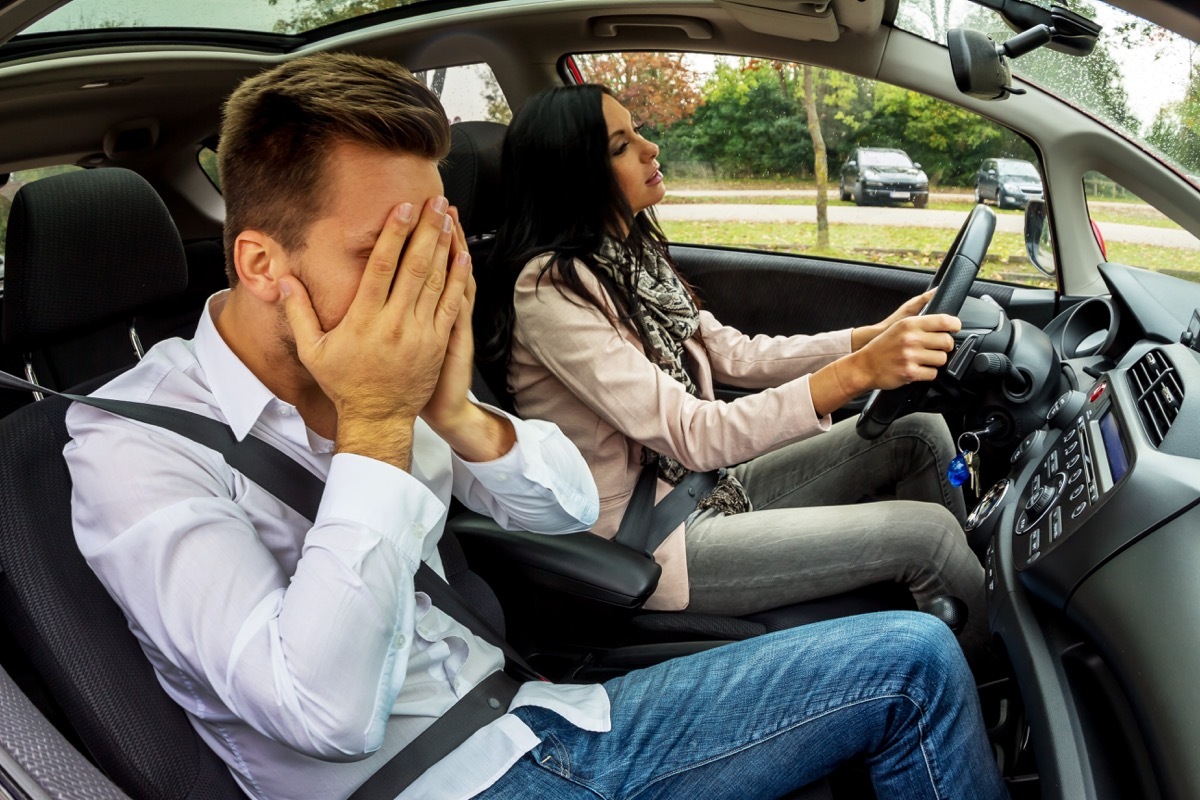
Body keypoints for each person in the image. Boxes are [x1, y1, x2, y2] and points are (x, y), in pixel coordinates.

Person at [66, 54, 1007, 800]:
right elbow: (328, 712)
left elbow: (560, 508)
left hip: (546, 712)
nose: (424, 285)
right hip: (447, 783)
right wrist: (380, 425)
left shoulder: (396, 355)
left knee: (909, 644)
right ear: (262, 263)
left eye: (432, 243)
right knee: (911, 661)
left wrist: (460, 417)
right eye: (383, 252)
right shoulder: (134, 452)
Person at [488, 83, 989, 659]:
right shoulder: (551, 290)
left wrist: (865, 340)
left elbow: (736, 355)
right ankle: (989, 675)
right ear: (571, 174)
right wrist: (856, 374)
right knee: (928, 536)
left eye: (638, 133)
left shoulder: (630, 260)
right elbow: (693, 434)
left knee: (920, 436)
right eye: (622, 146)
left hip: (708, 488)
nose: (652, 149)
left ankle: (959, 604)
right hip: (653, 539)